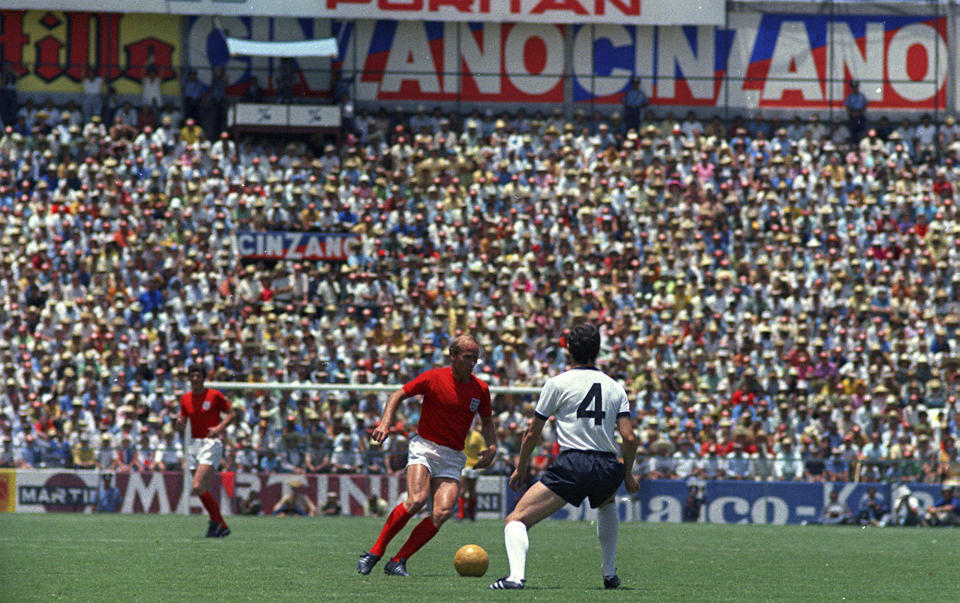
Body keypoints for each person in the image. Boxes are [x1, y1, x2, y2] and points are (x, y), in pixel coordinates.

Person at [489, 323, 639, 590]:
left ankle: (514, 578)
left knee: (516, 519)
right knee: (607, 504)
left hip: (574, 463)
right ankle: (609, 573)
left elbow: (532, 432)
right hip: (607, 464)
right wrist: (627, 473)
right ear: (598, 350)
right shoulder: (616, 387)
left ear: (569, 351)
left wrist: (520, 468)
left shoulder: (557, 383)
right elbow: (629, 437)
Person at [357, 334, 497, 577]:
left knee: (443, 512)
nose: (473, 362)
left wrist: (492, 446)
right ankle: (374, 553)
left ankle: (398, 560)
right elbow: (398, 394)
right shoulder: (434, 377)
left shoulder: (480, 389)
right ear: (453, 356)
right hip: (425, 447)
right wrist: (385, 422)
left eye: (476, 357)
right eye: (467, 357)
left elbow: (487, 420)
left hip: (452, 456)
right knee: (417, 499)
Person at [175, 363, 236, 538]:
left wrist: (219, 428)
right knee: (202, 488)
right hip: (194, 444)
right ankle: (219, 524)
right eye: (192, 376)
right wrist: (179, 424)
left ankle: (219, 524)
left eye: (198, 376)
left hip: (210, 443)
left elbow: (232, 414)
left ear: (204, 378)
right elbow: (183, 421)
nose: (195, 379)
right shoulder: (185, 398)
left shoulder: (214, 395)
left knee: (197, 485)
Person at [458, 417, 485, 521]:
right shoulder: (461, 435)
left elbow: (482, 449)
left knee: (472, 490)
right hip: (463, 466)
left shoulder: (477, 436)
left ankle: (471, 515)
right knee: (462, 490)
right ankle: (460, 515)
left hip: (474, 466)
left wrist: (481, 462)